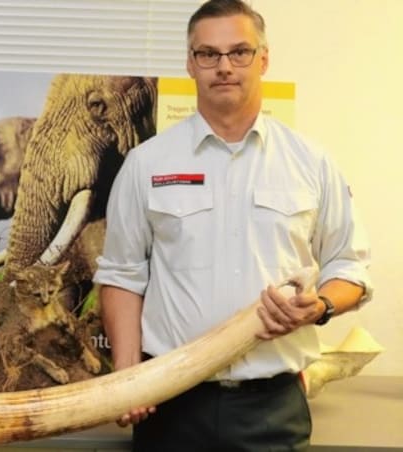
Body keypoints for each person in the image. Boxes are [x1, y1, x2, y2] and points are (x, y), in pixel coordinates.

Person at [93, 0, 372, 451]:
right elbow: (122, 273)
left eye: (239, 52)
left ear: (264, 59)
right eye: (208, 54)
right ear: (190, 63)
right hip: (170, 401)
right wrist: (129, 372)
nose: (224, 67)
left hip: (273, 407)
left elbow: (351, 268)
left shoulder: (311, 163)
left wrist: (320, 306)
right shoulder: (147, 163)